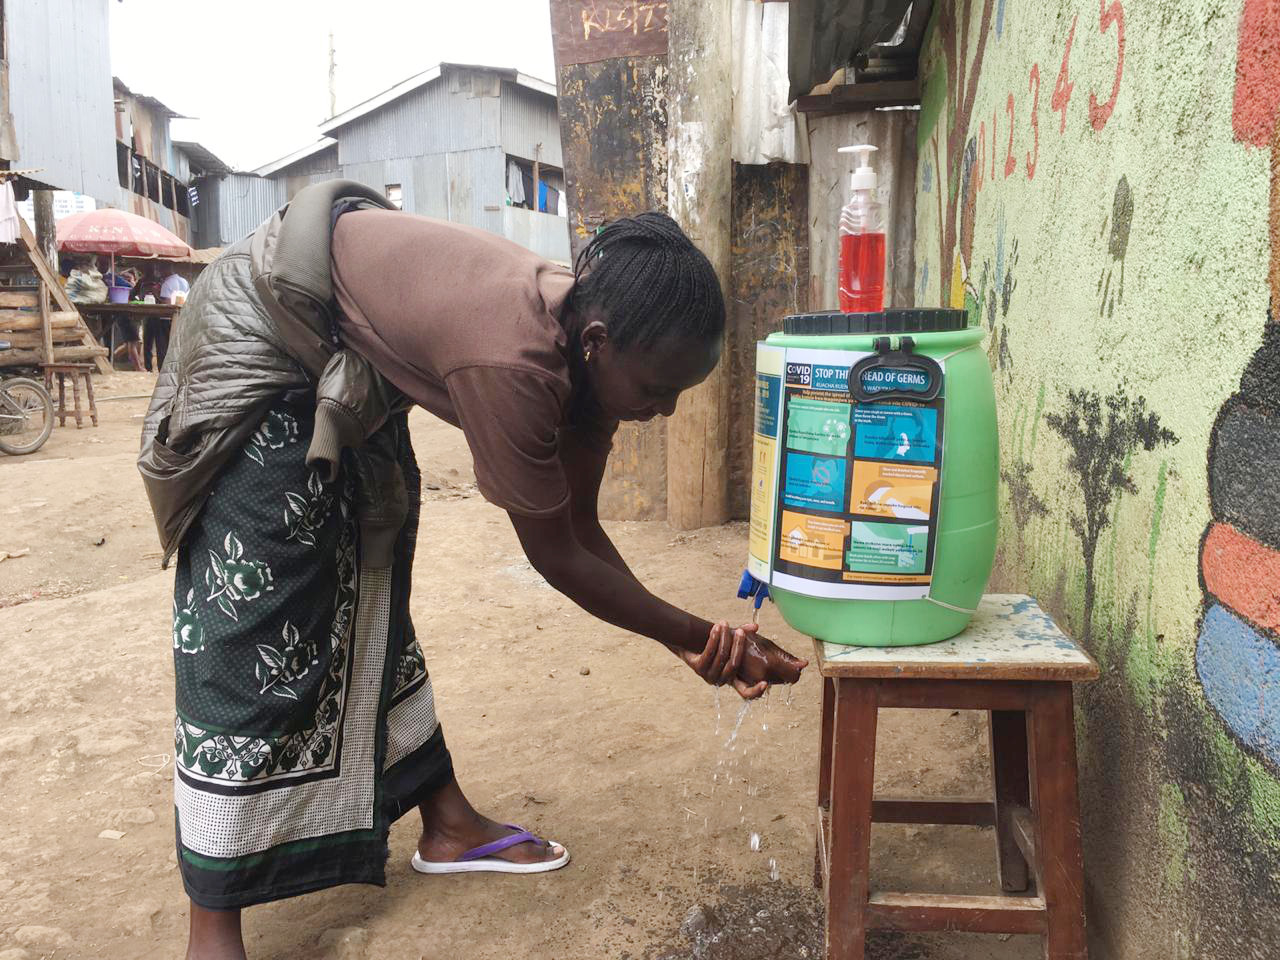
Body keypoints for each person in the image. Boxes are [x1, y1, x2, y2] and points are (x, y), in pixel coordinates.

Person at [138, 181, 807, 960]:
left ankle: (448, 823)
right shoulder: (516, 361)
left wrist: (693, 640)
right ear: (597, 342)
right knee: (257, 615)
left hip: (345, 350)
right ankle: (212, 924)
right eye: (657, 390)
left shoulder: (592, 352)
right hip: (263, 328)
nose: (664, 411)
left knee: (372, 585)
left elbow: (580, 525)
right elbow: (555, 555)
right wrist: (698, 635)